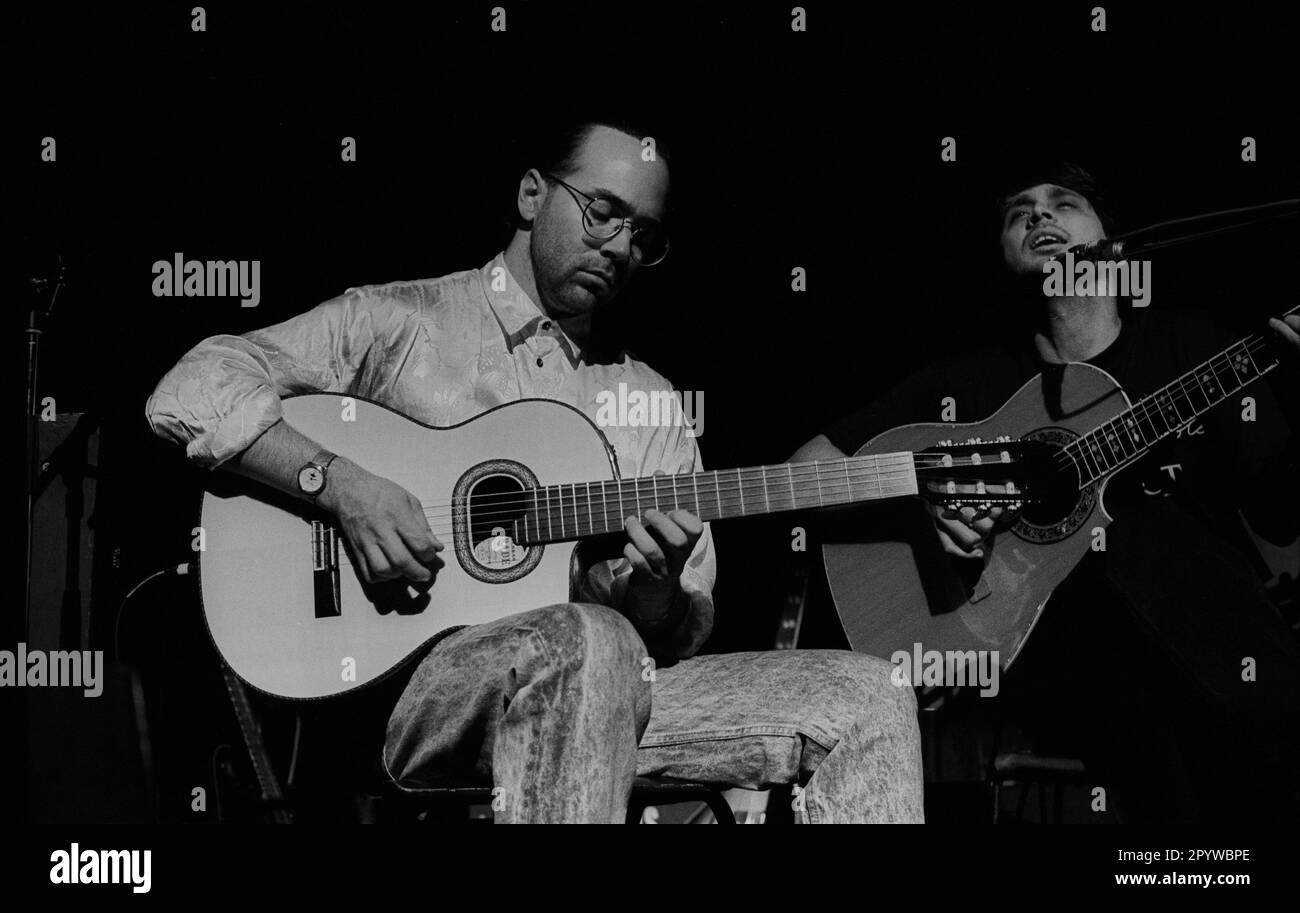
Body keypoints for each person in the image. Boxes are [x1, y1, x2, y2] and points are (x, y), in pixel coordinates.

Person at [145, 119, 924, 823]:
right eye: (603, 212)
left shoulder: (648, 402)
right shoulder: (401, 322)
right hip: (410, 695)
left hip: (611, 689)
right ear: (530, 194)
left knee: (868, 698)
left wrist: (650, 595)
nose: (620, 246)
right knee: (586, 641)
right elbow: (188, 388)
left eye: (644, 234)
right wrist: (339, 483)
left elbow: (666, 634)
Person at [791, 161, 1300, 823]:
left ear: (1115, 243)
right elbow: (807, 470)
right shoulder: (970, 383)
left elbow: (1282, 515)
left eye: (1065, 203)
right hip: (1047, 663)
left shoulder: (1193, 345)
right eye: (1018, 211)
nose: (1040, 216)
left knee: (1145, 536)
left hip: (1223, 666)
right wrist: (922, 501)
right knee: (1119, 536)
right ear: (1001, 252)